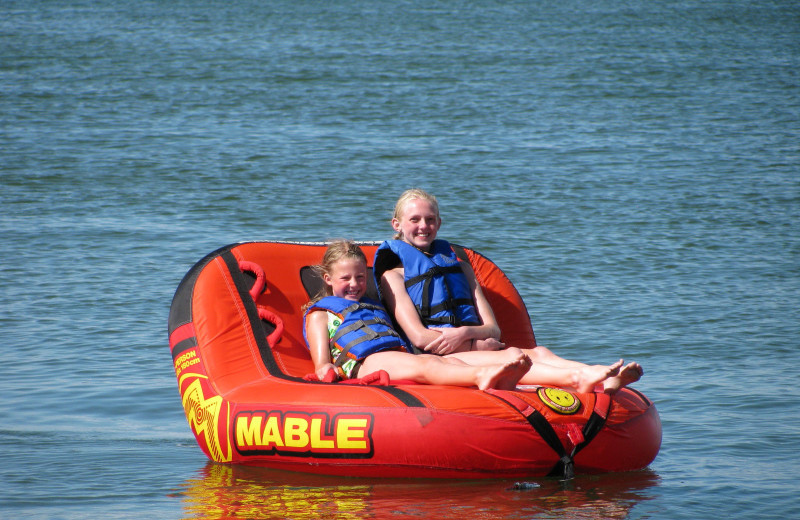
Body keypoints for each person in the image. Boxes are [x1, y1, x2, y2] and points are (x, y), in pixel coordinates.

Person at [374, 188, 643, 394]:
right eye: (415, 219)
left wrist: (467, 333)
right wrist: (475, 341)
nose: (423, 226)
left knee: (541, 353)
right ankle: (579, 378)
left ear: (439, 223)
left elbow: (493, 330)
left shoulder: (461, 268)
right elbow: (421, 339)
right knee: (515, 355)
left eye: (430, 219)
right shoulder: (392, 277)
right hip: (438, 359)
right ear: (397, 225)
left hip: (468, 344)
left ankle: (601, 377)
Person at [302, 239, 533, 391]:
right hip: (365, 363)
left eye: (361, 277)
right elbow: (321, 363)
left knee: (446, 361)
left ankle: (499, 381)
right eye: (346, 279)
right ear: (328, 279)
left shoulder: (371, 306)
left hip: (396, 356)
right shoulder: (320, 314)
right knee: (429, 366)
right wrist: (327, 371)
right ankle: (482, 376)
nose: (355, 284)